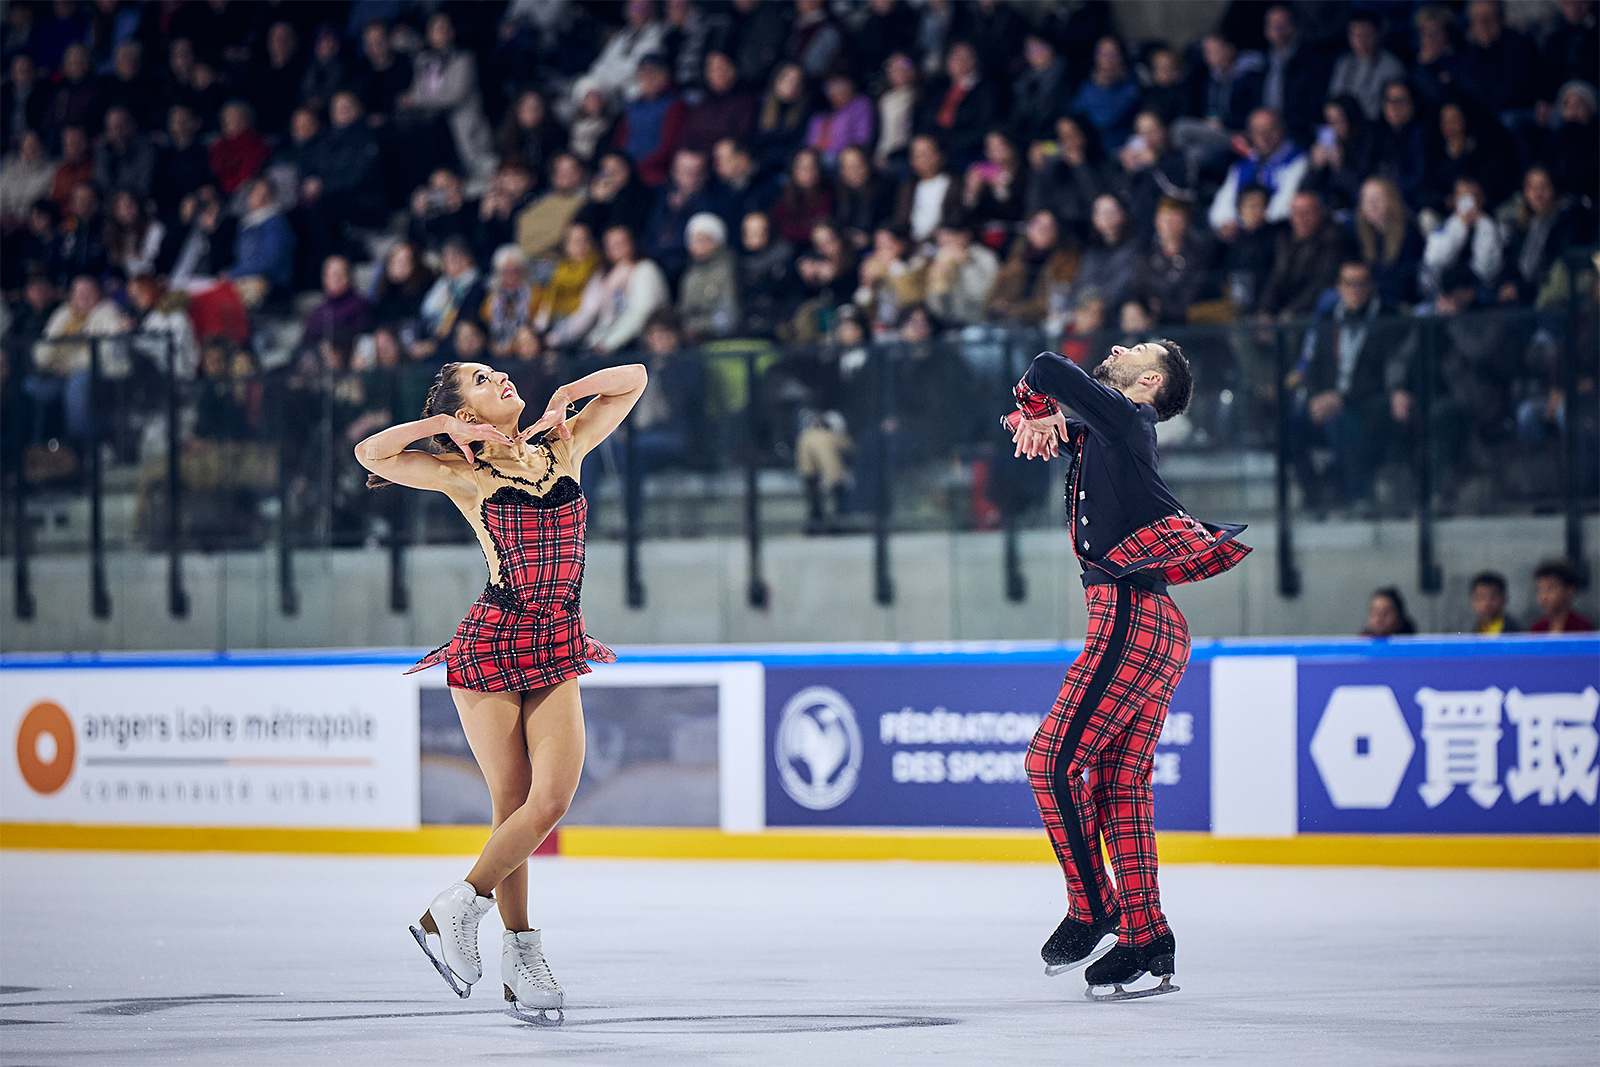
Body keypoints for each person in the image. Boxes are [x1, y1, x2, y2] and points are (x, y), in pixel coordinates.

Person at [356, 358, 646, 1024]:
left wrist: (569, 393)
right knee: (513, 801)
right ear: (465, 414)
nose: (502, 377)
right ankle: (522, 958)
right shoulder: (463, 473)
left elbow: (634, 378)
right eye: (482, 380)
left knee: (550, 800)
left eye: (496, 371)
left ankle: (457, 905)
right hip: (492, 643)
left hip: (558, 643)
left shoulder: (562, 445)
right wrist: (440, 428)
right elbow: (371, 453)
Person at [1008, 339, 1249, 998]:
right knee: (1119, 784)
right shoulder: (1110, 432)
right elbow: (1052, 422)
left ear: (1148, 382)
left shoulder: (1125, 416)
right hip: (1158, 624)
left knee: (1051, 762)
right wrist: (1039, 420)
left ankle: (1093, 906)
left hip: (1128, 619)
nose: (1117, 347)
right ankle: (1147, 937)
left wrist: (1037, 403)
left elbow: (1047, 368)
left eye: (1135, 348)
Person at [1529, 561, 1595, 633]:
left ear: (1570, 591)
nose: (1543, 597)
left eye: (1550, 588)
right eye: (1540, 590)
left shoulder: (1581, 628)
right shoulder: (1537, 629)